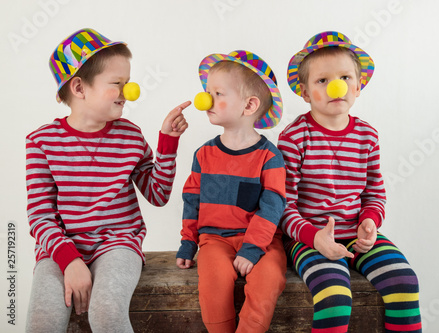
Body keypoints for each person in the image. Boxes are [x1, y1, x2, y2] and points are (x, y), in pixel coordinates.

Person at [25, 28, 189, 333]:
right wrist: (69, 261)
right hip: (59, 248)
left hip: (118, 243)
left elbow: (157, 194)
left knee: (107, 314)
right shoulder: (41, 142)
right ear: (79, 87)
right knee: (41, 323)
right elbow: (40, 216)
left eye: (128, 83)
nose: (128, 92)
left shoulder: (130, 135)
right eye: (118, 84)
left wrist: (168, 142)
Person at [278, 31, 422, 332]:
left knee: (405, 282)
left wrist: (370, 220)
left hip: (357, 236)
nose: (336, 86)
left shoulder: (367, 136)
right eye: (322, 80)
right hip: (310, 240)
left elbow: (374, 192)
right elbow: (282, 204)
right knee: (335, 297)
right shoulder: (293, 138)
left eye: (345, 77)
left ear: (358, 86)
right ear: (304, 92)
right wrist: (313, 237)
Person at [176, 50, 287, 333]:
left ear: (249, 105)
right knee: (213, 282)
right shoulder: (204, 154)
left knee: (269, 279)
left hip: (262, 243)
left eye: (217, 93)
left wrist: (252, 249)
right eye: (207, 92)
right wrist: (189, 242)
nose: (206, 100)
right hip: (214, 240)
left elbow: (272, 206)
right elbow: (192, 201)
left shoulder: (269, 157)